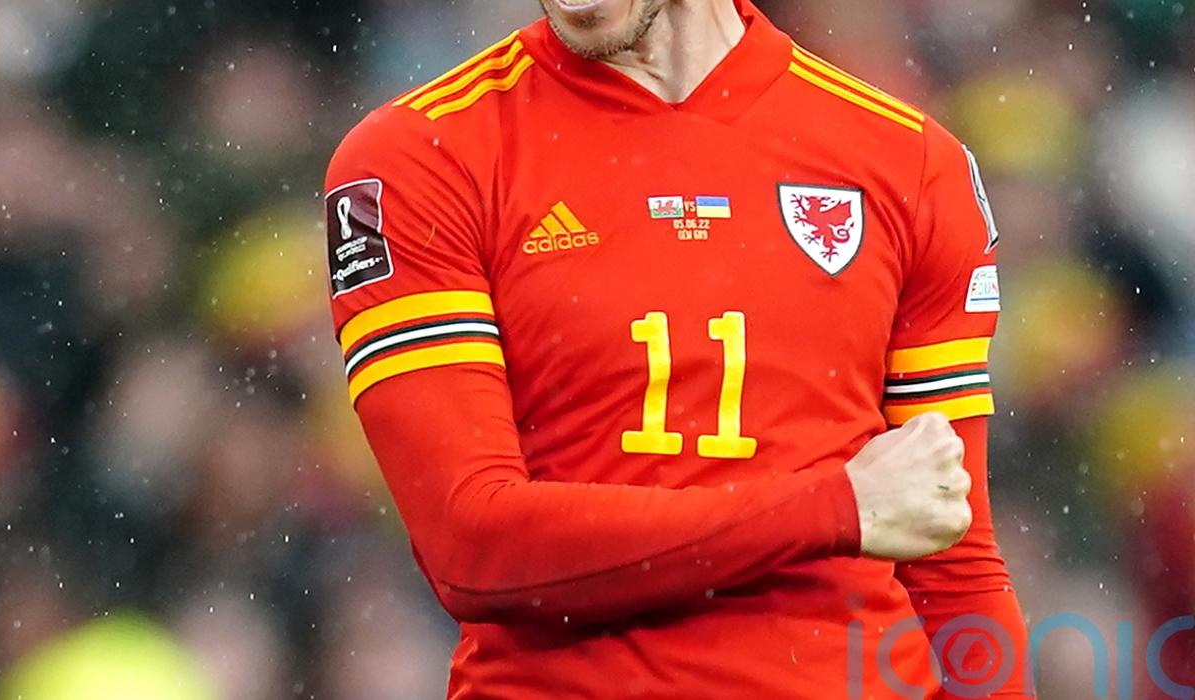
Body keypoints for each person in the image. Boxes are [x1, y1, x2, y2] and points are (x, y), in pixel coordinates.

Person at [321, 0, 1030, 697]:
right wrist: (832, 510)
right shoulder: (420, 157)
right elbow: (474, 546)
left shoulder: (909, 161)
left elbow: (953, 561)